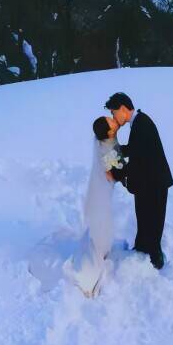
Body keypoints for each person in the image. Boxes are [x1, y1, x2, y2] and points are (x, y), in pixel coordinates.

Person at [105, 92, 173, 270]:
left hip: (155, 182)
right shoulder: (139, 122)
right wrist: (115, 149)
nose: (113, 117)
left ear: (123, 109)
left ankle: (155, 262)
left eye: (113, 112)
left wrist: (116, 174)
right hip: (146, 183)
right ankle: (141, 252)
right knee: (143, 220)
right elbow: (135, 150)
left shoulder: (142, 124)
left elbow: (137, 159)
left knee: (153, 223)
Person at [66, 115, 126, 297]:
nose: (115, 121)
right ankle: (88, 273)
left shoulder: (103, 140)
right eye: (112, 122)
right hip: (101, 197)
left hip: (97, 194)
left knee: (100, 231)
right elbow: (112, 174)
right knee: (101, 233)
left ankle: (100, 253)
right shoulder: (107, 148)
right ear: (109, 132)